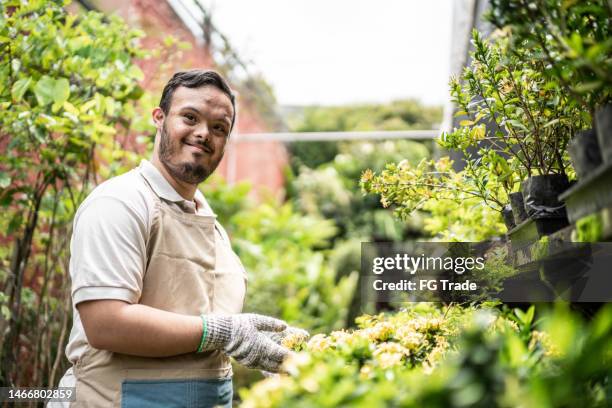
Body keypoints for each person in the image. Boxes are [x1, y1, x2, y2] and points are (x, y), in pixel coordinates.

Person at [50, 70, 306, 407]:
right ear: (159, 118)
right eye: (190, 117)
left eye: (219, 128)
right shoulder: (121, 202)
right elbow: (105, 322)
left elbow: (198, 315)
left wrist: (259, 342)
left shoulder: (209, 222)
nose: (203, 134)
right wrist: (223, 332)